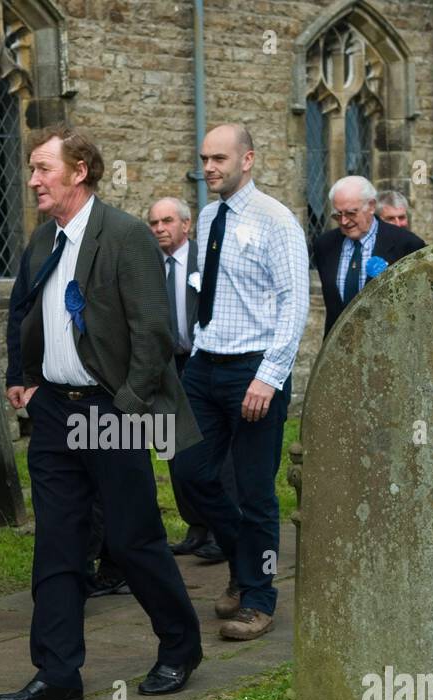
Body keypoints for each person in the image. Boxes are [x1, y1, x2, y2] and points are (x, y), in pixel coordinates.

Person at [0, 126, 203, 700]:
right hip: (56, 412)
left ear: (79, 171)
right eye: (32, 170)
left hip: (114, 410)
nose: (32, 179)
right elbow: (20, 312)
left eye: (42, 168)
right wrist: (22, 377)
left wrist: (129, 408)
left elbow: (153, 331)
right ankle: (57, 673)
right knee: (57, 545)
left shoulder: (128, 234)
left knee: (132, 538)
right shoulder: (41, 242)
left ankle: (180, 646)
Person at [171, 123, 309, 641]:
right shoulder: (206, 219)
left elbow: (293, 303)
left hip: (255, 370)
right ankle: (243, 560)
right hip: (205, 366)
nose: (209, 168)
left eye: (219, 159)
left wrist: (269, 377)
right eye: (204, 158)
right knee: (189, 472)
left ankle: (258, 596)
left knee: (254, 492)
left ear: (247, 160)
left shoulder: (276, 221)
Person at [147, 195, 235, 563]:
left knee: (210, 448)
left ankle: (221, 529)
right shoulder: (148, 264)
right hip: (167, 367)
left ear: (186, 225)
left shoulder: (207, 258)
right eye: (154, 223)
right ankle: (195, 526)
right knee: (173, 446)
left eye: (167, 221)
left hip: (205, 363)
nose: (160, 229)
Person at [314, 175, 425, 337]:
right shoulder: (324, 245)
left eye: (351, 213)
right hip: (338, 352)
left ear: (371, 206)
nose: (344, 221)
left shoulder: (406, 244)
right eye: (338, 215)